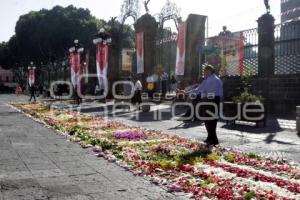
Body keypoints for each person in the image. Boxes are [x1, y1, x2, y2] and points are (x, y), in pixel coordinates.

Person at [178, 64, 223, 146]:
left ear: (209, 71)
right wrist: (187, 92)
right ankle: (211, 138)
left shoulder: (212, 80)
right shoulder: (211, 79)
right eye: (204, 71)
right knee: (209, 120)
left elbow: (200, 90)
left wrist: (187, 93)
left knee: (210, 120)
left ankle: (212, 139)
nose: (204, 73)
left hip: (210, 101)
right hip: (212, 100)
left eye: (205, 71)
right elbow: (199, 89)